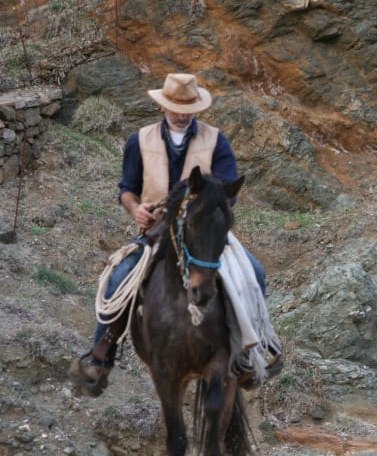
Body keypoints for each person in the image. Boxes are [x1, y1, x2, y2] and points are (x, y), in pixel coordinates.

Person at [70, 73, 279, 395]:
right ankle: (101, 358)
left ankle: (252, 353)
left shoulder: (216, 140)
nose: (182, 115)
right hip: (156, 230)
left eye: (188, 110)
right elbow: (127, 189)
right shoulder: (140, 140)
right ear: (163, 106)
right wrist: (136, 209)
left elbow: (228, 192)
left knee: (255, 272)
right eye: (176, 109)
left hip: (203, 230)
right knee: (118, 277)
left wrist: (206, 207)